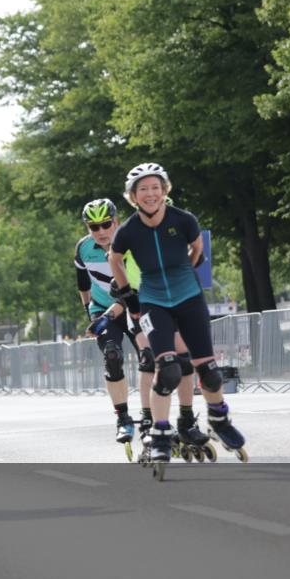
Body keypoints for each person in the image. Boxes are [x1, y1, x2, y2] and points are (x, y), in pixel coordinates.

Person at [109, 163, 247, 479]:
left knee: (209, 373)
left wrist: (187, 269)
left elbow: (197, 248)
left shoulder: (183, 220)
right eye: (142, 189)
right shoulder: (128, 231)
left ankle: (219, 419)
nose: (150, 193)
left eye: (155, 187)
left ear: (165, 190)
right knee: (168, 369)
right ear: (133, 196)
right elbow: (114, 259)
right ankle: (158, 432)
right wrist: (129, 295)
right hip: (153, 302)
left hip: (189, 299)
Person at [76, 198, 153, 461]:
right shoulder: (83, 249)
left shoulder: (130, 242)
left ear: (116, 222)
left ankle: (149, 417)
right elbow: (83, 284)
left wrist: (112, 311)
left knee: (149, 357)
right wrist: (90, 311)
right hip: (102, 309)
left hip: (132, 304)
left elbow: (138, 282)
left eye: (106, 224)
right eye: (93, 226)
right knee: (111, 354)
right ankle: (122, 418)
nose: (100, 231)